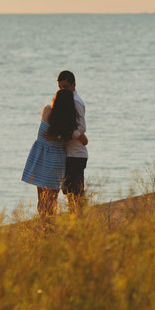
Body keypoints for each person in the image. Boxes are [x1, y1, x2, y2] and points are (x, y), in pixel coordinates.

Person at [22, 88, 86, 219]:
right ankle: (51, 227)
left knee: (41, 198)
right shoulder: (68, 123)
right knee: (52, 199)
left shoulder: (46, 110)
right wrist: (59, 136)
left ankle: (45, 226)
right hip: (56, 160)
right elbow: (85, 140)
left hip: (40, 157)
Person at [46, 70, 88, 211]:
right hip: (68, 154)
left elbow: (82, 127)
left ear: (74, 84)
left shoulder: (76, 102)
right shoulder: (63, 100)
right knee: (70, 193)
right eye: (60, 87)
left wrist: (65, 136)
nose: (62, 90)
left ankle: (81, 224)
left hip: (76, 154)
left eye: (65, 86)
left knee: (76, 194)